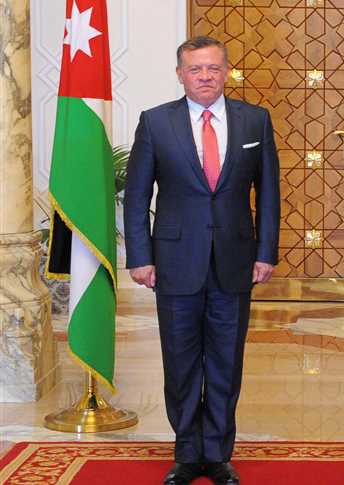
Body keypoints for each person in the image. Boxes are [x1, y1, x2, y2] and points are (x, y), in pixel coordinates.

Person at [124, 36, 280, 485]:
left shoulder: (255, 120)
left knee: (226, 361)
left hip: (235, 260)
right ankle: (187, 453)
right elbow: (137, 196)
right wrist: (140, 256)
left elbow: (269, 193)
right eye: (196, 69)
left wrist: (265, 251)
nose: (205, 76)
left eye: (213, 68)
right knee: (181, 362)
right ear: (180, 74)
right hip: (174, 262)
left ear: (227, 71)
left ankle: (218, 454)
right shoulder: (155, 122)